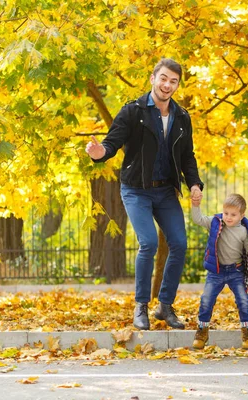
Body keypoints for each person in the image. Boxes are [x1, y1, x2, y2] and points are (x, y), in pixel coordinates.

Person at [85, 58, 203, 331]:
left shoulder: (182, 117)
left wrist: (194, 184)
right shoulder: (133, 111)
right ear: (153, 78)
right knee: (148, 243)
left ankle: (165, 306)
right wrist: (99, 153)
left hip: (165, 191)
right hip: (136, 189)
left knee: (180, 243)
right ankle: (141, 306)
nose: (167, 85)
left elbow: (187, 156)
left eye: (173, 81)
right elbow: (111, 144)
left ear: (177, 85)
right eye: (163, 78)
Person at [190, 193, 248, 350]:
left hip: (235, 271)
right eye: (226, 213)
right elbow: (198, 219)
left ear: (242, 215)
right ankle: (202, 331)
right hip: (216, 271)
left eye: (233, 215)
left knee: (243, 300)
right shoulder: (216, 223)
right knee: (206, 299)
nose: (228, 217)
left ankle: (247, 332)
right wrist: (195, 205)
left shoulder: (243, 232)